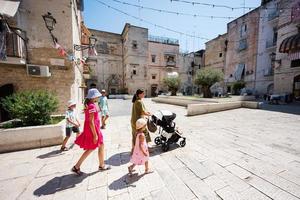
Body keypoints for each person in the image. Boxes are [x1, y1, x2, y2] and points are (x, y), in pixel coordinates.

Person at [72, 88, 110, 175]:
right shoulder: (92, 106)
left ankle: (101, 165)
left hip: (91, 129)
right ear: (94, 97)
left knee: (99, 145)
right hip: (93, 129)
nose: (98, 97)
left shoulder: (90, 104)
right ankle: (77, 166)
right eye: (97, 96)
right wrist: (95, 135)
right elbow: (91, 121)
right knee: (92, 147)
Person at [131, 89, 151, 154]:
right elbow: (143, 112)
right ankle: (146, 149)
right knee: (145, 133)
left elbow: (140, 111)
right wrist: (150, 114)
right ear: (139, 94)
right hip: (139, 122)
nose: (144, 95)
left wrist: (146, 112)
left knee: (134, 136)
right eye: (143, 94)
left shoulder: (135, 101)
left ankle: (133, 150)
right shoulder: (139, 101)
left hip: (133, 121)